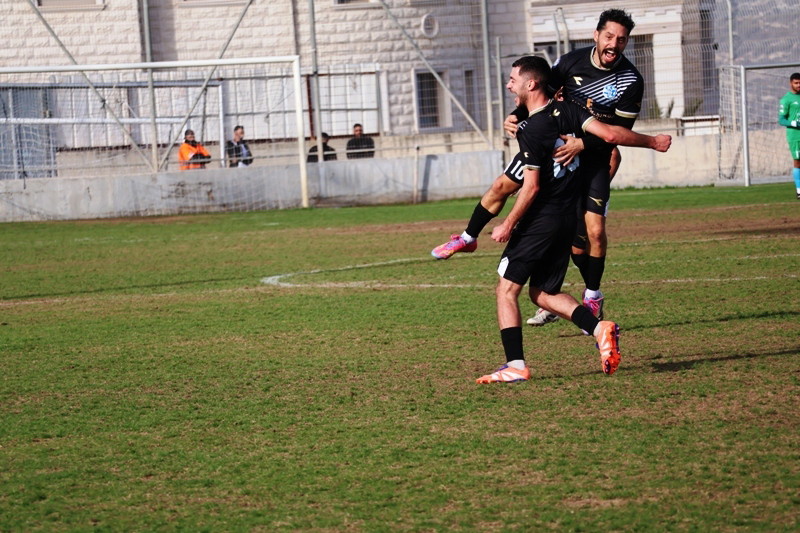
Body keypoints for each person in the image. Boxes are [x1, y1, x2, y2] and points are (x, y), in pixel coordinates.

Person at [432, 8, 642, 328]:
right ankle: (467, 237)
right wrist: (516, 116)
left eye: (621, 39)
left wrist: (582, 145)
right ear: (597, 35)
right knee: (501, 186)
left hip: (592, 156)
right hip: (549, 144)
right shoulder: (570, 62)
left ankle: (590, 296)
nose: (614, 44)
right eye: (609, 36)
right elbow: (536, 89)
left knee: (589, 235)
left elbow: (618, 134)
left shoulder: (630, 80)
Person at [475, 56, 671, 383]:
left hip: (541, 221)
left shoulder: (532, 129)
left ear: (531, 84)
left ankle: (515, 365)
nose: (508, 85)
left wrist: (508, 223)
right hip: (567, 218)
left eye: (512, 80)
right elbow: (610, 134)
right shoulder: (569, 110)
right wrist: (652, 142)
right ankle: (599, 328)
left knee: (506, 290)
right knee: (542, 293)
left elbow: (531, 186)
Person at [778, 72, 800, 199]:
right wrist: (795, 123)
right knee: (798, 162)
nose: (798, 85)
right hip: (795, 136)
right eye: (796, 83)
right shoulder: (786, 99)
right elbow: (781, 120)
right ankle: (799, 190)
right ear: (791, 83)